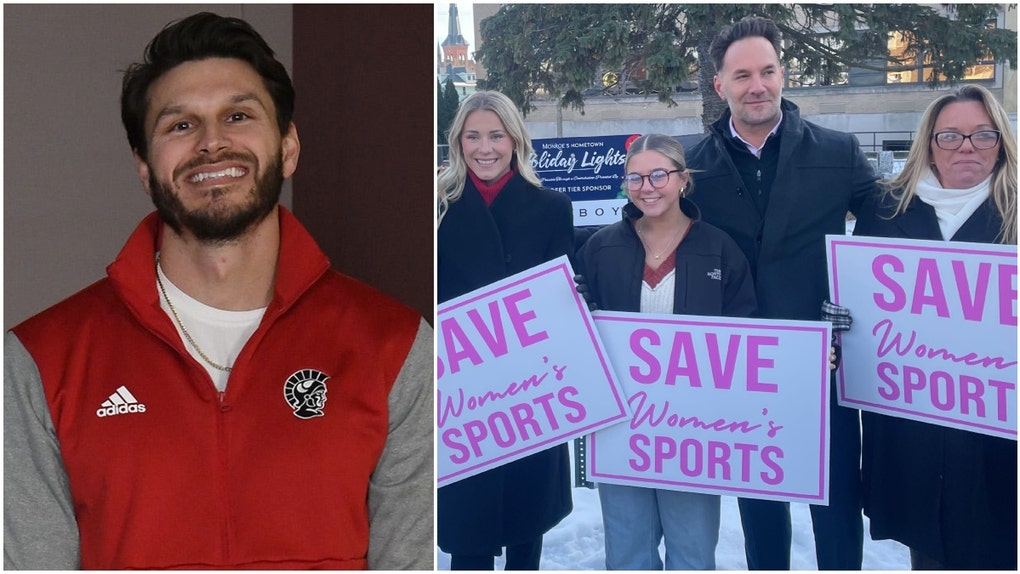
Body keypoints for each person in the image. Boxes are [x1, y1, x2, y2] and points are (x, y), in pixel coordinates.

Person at [3, 12, 433, 570]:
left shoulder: (395, 347)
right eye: (180, 125)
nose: (212, 143)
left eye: (238, 115)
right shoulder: (40, 361)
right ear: (144, 167)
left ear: (289, 146)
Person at [685, 16, 880, 570]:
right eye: (742, 75)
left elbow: (890, 229)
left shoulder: (838, 151)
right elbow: (648, 236)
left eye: (767, 71)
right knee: (760, 511)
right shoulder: (690, 164)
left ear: (782, 74)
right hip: (741, 366)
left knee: (837, 505)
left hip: (823, 361)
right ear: (720, 84)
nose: (758, 86)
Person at [852, 84, 1017, 570]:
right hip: (915, 430)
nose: (967, 147)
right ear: (929, 143)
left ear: (1001, 142)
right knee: (929, 549)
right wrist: (842, 322)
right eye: (951, 136)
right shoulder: (887, 212)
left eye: (982, 134)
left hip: (999, 435)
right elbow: (862, 303)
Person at [575, 134, 757, 569]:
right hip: (622, 425)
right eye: (635, 178)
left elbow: (747, 335)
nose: (647, 187)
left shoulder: (719, 248)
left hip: (694, 428)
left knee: (692, 551)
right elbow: (577, 330)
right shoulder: (601, 247)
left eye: (659, 175)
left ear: (682, 179)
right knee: (627, 552)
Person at [437, 90, 574, 570]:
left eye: (496, 135)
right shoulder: (437, 207)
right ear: (458, 141)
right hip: (462, 395)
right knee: (467, 532)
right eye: (473, 136)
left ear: (515, 139)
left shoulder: (552, 207)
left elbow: (561, 302)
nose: (485, 148)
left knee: (525, 525)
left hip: (528, 393)